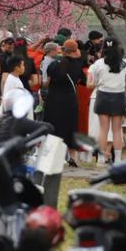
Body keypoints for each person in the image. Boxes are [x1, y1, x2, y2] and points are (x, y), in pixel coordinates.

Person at [87, 38, 126, 165]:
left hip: (103, 96)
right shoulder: (125, 63)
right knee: (117, 130)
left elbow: (90, 82)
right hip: (119, 97)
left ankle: (100, 159)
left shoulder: (98, 64)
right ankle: (117, 159)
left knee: (103, 129)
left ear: (103, 49)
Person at [45, 39, 85, 167]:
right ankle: (72, 156)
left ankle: (52, 155)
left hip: (54, 99)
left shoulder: (54, 64)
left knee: (54, 125)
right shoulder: (78, 65)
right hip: (69, 99)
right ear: (74, 51)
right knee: (70, 126)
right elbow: (81, 79)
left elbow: (47, 81)